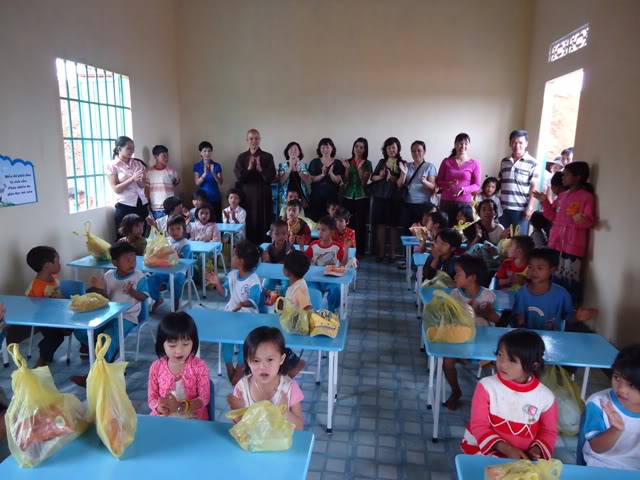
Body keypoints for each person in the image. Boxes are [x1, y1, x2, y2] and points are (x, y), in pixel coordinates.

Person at [461, 329, 558, 460]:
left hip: (522, 457)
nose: (503, 364)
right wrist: (506, 449)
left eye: (512, 360)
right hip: (483, 452)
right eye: (500, 355)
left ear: (533, 366)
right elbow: (479, 425)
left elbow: (548, 432)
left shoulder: (546, 398)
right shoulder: (486, 386)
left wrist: (535, 450)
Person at [72, 243, 149, 386]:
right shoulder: (108, 276)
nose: (132, 263)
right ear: (115, 263)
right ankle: (103, 352)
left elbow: (144, 297)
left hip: (128, 316)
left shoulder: (139, 276)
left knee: (108, 338)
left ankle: (93, 376)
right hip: (108, 314)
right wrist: (100, 289)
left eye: (133, 260)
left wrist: (132, 291)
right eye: (127, 260)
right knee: (81, 332)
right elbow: (105, 298)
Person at [443, 256, 501, 410]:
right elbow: (448, 318)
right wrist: (463, 311)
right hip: (461, 340)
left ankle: (496, 399)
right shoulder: (455, 295)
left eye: (458, 273)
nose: (454, 276)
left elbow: (497, 320)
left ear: (472, 277)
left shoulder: (489, 296)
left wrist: (487, 313)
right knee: (447, 361)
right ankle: (456, 391)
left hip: (485, 343)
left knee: (502, 363)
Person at [534, 161, 596, 304]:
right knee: (553, 276)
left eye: (566, 174)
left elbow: (589, 221)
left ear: (578, 177)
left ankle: (568, 309)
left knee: (570, 280)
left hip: (572, 246)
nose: (563, 177)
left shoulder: (586, 197)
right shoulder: (562, 196)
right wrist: (545, 201)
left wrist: (581, 219)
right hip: (555, 244)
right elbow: (552, 216)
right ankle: (551, 305)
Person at [206, 240, 266, 385]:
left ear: (241, 261)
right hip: (231, 314)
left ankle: (239, 369)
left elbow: (255, 300)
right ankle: (229, 368)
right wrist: (217, 284)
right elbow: (224, 293)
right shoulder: (232, 275)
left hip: (248, 317)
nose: (231, 258)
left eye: (234, 255)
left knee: (244, 344)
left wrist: (242, 304)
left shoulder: (253, 279)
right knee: (226, 342)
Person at [227, 326, 304, 430]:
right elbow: (239, 428)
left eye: (270, 360)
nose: (263, 367)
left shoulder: (289, 388)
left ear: (281, 359)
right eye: (256, 361)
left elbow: (300, 427)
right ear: (248, 361)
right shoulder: (242, 388)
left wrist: (286, 414)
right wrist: (239, 411)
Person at [580, 345, 640, 471]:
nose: (621, 389)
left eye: (632, 385)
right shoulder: (598, 403)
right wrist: (615, 430)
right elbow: (597, 447)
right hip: (601, 465)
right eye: (617, 377)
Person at [512, 247, 595, 331]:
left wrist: (577, 317)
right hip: (527, 337)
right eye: (530, 267)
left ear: (552, 270)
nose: (533, 271)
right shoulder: (520, 294)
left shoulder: (562, 294)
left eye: (540, 268)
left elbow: (569, 318)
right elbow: (515, 320)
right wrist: (517, 321)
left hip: (554, 338)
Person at [148, 312, 210, 420]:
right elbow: (152, 398)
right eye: (172, 345)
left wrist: (180, 406)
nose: (179, 350)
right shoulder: (156, 367)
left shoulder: (199, 366)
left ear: (193, 342)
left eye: (186, 344)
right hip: (165, 418)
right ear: (162, 344)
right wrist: (160, 407)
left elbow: (204, 398)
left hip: (193, 418)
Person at [234, 129, 276, 244]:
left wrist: (260, 168)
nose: (254, 141)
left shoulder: (267, 156)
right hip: (246, 196)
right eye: (251, 138)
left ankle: (264, 248)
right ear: (247, 140)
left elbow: (270, 178)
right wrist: (248, 168)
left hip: (263, 195)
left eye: (256, 138)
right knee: (248, 220)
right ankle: (247, 247)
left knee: (264, 221)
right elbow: (239, 178)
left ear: (260, 140)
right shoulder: (242, 157)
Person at [25, 246, 66, 367]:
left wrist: (60, 298)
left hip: (56, 314)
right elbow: (40, 307)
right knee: (55, 338)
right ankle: (42, 358)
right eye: (57, 261)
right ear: (47, 265)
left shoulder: (52, 277)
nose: (60, 264)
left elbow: (59, 297)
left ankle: (85, 347)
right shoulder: (38, 286)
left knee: (76, 327)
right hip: (42, 317)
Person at [370, 137, 406, 263]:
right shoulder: (382, 162)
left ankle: (392, 254)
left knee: (393, 227)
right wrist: (380, 176)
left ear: (398, 149)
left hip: (394, 199)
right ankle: (380, 253)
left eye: (393, 147)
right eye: (389, 147)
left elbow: (401, 183)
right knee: (380, 225)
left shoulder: (402, 163)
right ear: (385, 149)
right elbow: (372, 178)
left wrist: (392, 178)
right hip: (380, 198)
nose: (391, 150)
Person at [148, 216, 192, 312]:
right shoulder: (167, 241)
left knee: (175, 282)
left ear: (183, 230)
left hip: (180, 271)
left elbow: (187, 262)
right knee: (151, 280)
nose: (175, 232)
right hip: (165, 268)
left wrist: (179, 256)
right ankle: (158, 299)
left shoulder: (185, 244)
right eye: (172, 229)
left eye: (178, 229)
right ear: (167, 230)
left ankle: (176, 300)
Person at [107, 136, 149, 236]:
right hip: (125, 204)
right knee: (124, 236)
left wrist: (140, 180)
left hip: (141, 203)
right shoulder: (112, 165)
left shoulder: (137, 163)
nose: (132, 151)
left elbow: (142, 185)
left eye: (133, 148)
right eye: (129, 148)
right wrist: (132, 179)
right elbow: (116, 189)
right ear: (119, 149)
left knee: (142, 235)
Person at [436, 133, 481, 226]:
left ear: (469, 145)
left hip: (464, 203)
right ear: (455, 144)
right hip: (446, 202)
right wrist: (448, 184)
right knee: (445, 228)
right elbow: (438, 181)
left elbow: (477, 185)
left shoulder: (475, 163)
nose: (463, 146)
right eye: (460, 143)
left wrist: (463, 189)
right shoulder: (446, 162)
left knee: (462, 230)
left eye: (466, 143)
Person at [498, 129, 539, 233]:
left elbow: (534, 187)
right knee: (503, 240)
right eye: (514, 142)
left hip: (520, 211)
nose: (517, 145)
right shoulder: (504, 161)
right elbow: (501, 182)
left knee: (519, 240)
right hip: (503, 209)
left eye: (520, 143)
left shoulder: (533, 163)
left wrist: (530, 207)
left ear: (526, 143)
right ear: (510, 143)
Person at [305, 216, 347, 314]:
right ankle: (314, 312)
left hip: (330, 279)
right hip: (315, 279)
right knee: (310, 292)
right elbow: (305, 260)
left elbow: (343, 263)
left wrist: (347, 249)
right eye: (318, 229)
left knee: (336, 290)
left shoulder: (337, 247)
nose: (320, 232)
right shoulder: (313, 244)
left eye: (323, 230)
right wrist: (302, 246)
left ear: (332, 232)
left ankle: (331, 312)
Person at [341, 137, 373, 256]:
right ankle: (346, 250)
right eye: (356, 146)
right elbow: (345, 181)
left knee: (360, 225)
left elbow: (364, 183)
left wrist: (359, 169)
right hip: (348, 196)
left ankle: (359, 251)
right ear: (353, 147)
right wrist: (347, 169)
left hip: (361, 197)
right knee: (347, 224)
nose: (358, 149)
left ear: (365, 149)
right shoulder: (347, 162)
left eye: (361, 147)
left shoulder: (368, 163)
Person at [281, 250, 310, 378]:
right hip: (289, 322)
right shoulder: (295, 284)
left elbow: (307, 307)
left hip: (297, 327)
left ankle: (297, 363)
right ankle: (288, 366)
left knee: (277, 343)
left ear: (288, 271)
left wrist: (304, 323)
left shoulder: (298, 289)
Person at [400, 140, 438, 238]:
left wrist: (424, 182)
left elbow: (433, 188)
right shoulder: (407, 166)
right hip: (407, 203)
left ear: (424, 152)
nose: (416, 153)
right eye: (413, 151)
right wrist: (403, 174)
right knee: (406, 230)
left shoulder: (429, 166)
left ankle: (419, 248)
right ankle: (407, 249)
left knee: (420, 233)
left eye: (419, 150)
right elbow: (400, 184)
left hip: (423, 205)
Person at [308, 138, 345, 221]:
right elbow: (313, 179)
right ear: (319, 149)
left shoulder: (338, 163)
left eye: (328, 147)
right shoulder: (314, 162)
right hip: (316, 197)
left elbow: (337, 181)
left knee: (332, 222)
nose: (325, 149)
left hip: (332, 198)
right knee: (316, 221)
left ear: (332, 148)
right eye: (323, 147)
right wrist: (322, 175)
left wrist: (331, 173)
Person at [147, 145, 180, 220]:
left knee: (172, 224)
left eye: (167, 155)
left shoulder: (172, 170)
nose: (167, 158)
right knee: (159, 226)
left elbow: (176, 182)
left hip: (170, 205)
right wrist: (148, 204)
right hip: (156, 207)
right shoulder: (149, 171)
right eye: (164, 156)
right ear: (155, 157)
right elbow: (147, 189)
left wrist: (175, 183)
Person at [193, 141, 223, 222]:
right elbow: (197, 183)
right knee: (203, 221)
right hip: (202, 199)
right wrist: (205, 173)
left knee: (216, 221)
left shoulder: (217, 165)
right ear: (201, 153)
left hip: (215, 198)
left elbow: (220, 182)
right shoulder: (197, 166)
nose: (207, 153)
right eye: (205, 151)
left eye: (209, 151)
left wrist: (213, 172)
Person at [262, 219, 294, 293]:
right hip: (272, 273)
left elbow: (293, 264)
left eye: (284, 233)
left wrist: (290, 259)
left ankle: (281, 295)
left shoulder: (290, 247)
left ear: (287, 234)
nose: (281, 236)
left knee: (287, 287)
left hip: (286, 274)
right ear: (271, 235)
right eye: (277, 234)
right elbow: (267, 267)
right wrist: (267, 260)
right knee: (266, 285)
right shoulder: (269, 248)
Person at [277, 141, 310, 213]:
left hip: (300, 197)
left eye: (295, 149)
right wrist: (290, 168)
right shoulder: (282, 165)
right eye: (291, 149)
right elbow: (281, 181)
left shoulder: (303, 165)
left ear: (299, 152)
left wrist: (298, 169)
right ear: (287, 152)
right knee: (286, 216)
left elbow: (306, 180)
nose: (293, 151)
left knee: (300, 216)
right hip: (286, 197)